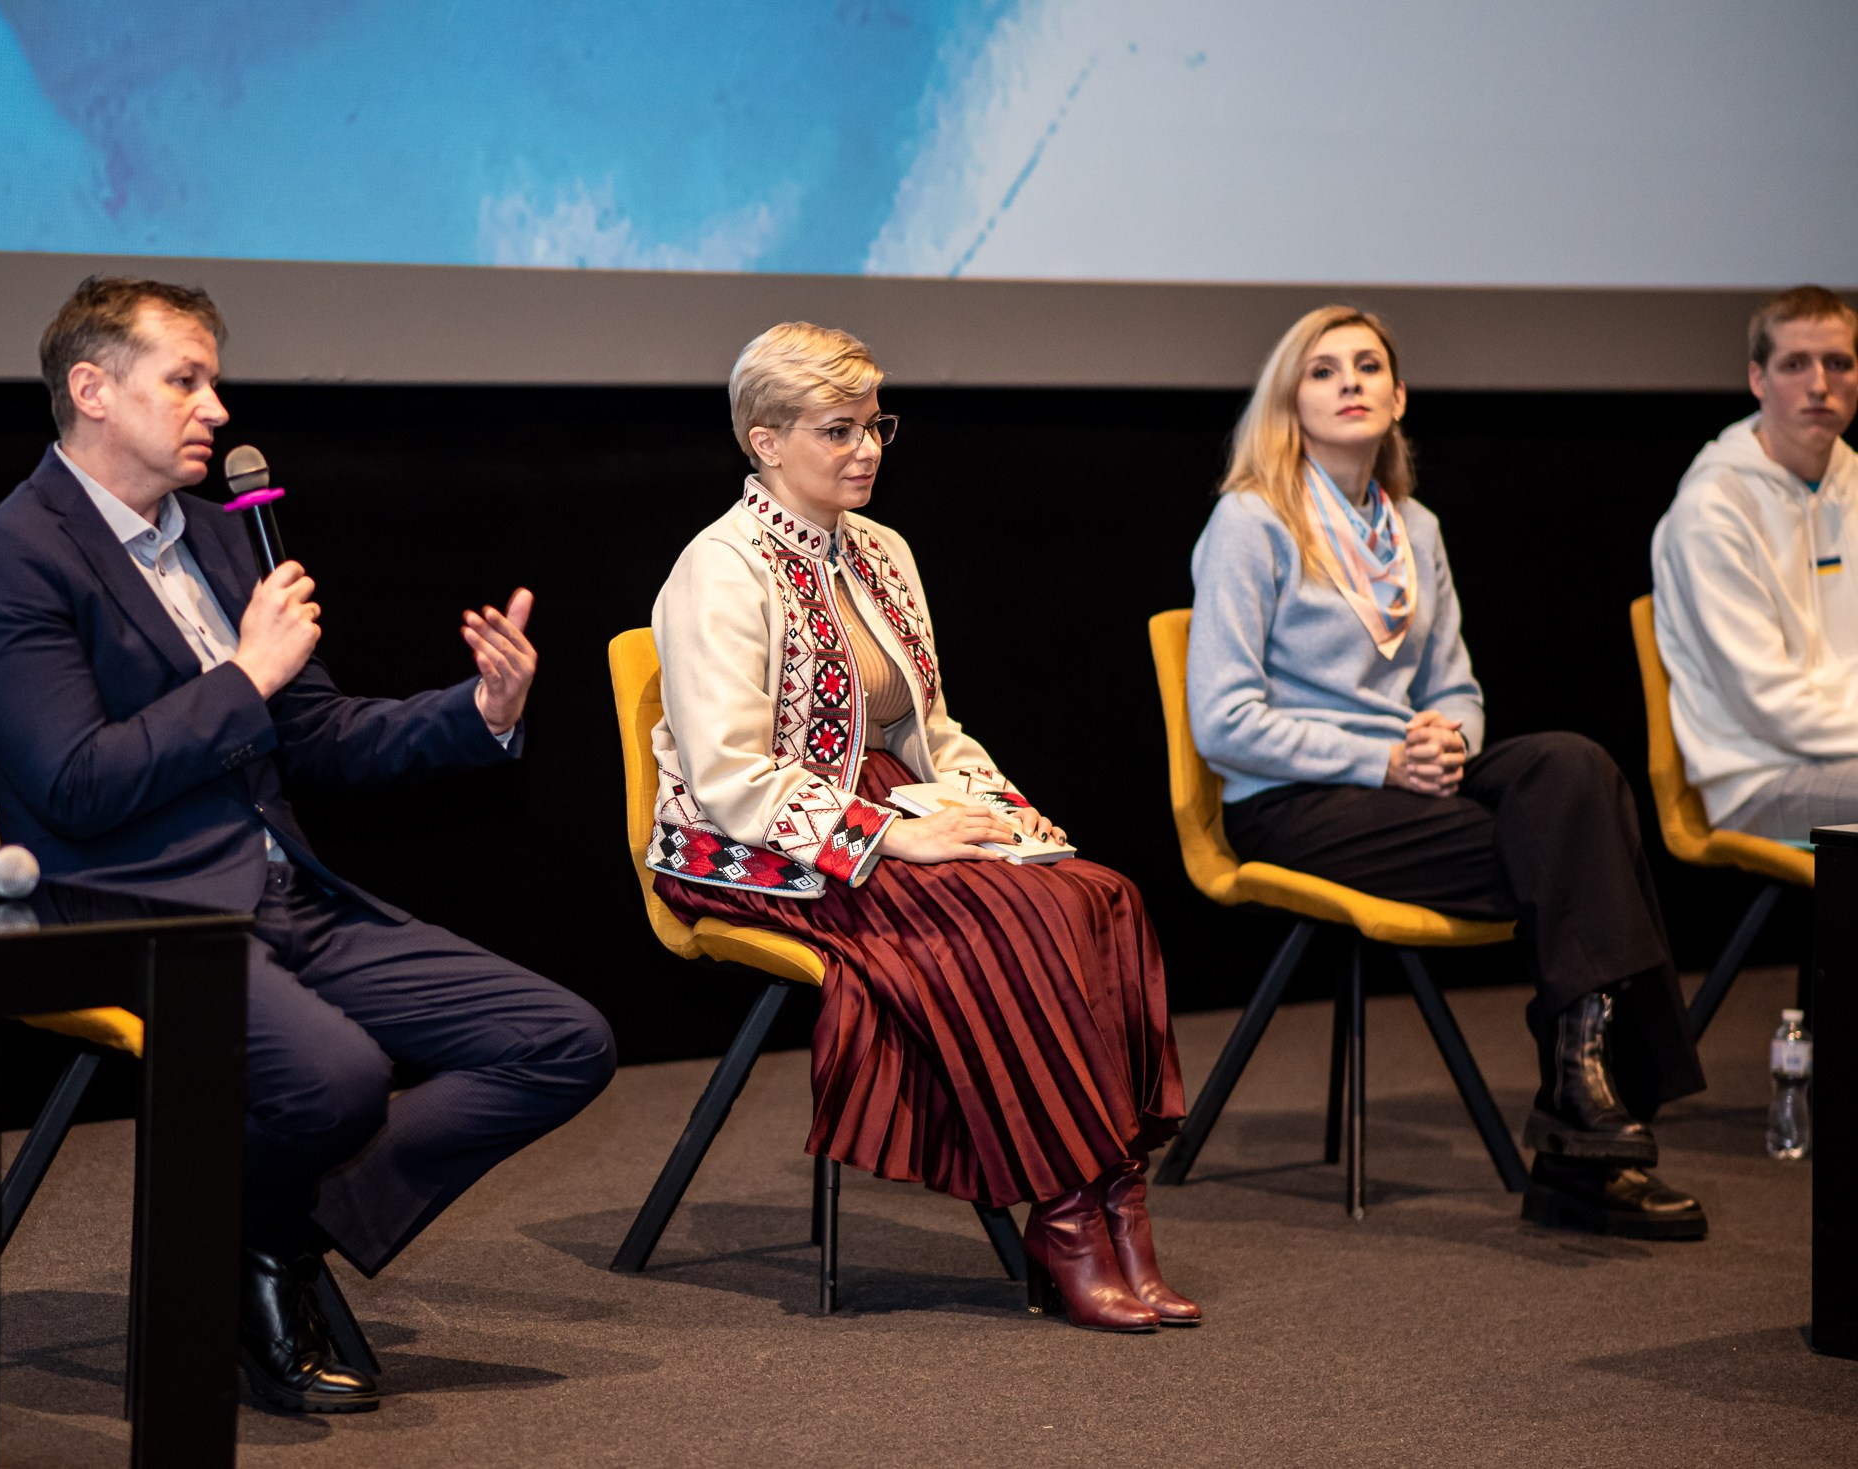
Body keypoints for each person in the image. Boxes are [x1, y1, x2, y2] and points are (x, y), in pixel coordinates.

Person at [0, 277, 615, 1413]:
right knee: (335, 1077)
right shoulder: (9, 554)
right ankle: (253, 1240)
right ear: (92, 391)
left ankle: (265, 1236)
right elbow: (75, 782)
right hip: (126, 901)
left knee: (558, 1038)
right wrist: (243, 675)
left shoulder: (217, 536)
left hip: (286, 891)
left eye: (213, 377)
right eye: (185, 379)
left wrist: (480, 710)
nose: (217, 406)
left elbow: (318, 734)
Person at [646, 322, 1193, 1332]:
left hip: (889, 800)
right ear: (763, 439)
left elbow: (924, 726)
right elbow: (727, 775)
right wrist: (890, 835)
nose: (867, 449)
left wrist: (998, 808)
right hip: (749, 840)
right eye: (838, 428)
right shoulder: (718, 569)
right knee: (1002, 915)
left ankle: (1119, 1197)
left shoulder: (883, 550)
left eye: (874, 426)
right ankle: (1065, 1216)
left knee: (1092, 891)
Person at [1186, 305, 1708, 1239]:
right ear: (1289, 401)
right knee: (1580, 848)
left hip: (1415, 784)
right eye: (1323, 370)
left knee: (1574, 767)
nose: (1349, 382)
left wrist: (1448, 740)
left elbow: (1457, 687)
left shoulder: (1412, 527)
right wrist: (1379, 756)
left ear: (1397, 397)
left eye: (1367, 366)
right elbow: (1223, 723)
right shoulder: (1252, 521)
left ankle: (1585, 1108)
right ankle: (1585, 1128)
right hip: (1298, 799)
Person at [1651, 286, 1858, 840]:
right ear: (1757, 380)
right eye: (1796, 364)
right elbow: (1766, 703)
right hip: (1759, 777)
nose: (1820, 384)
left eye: (1838, 363)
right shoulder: (1712, 508)